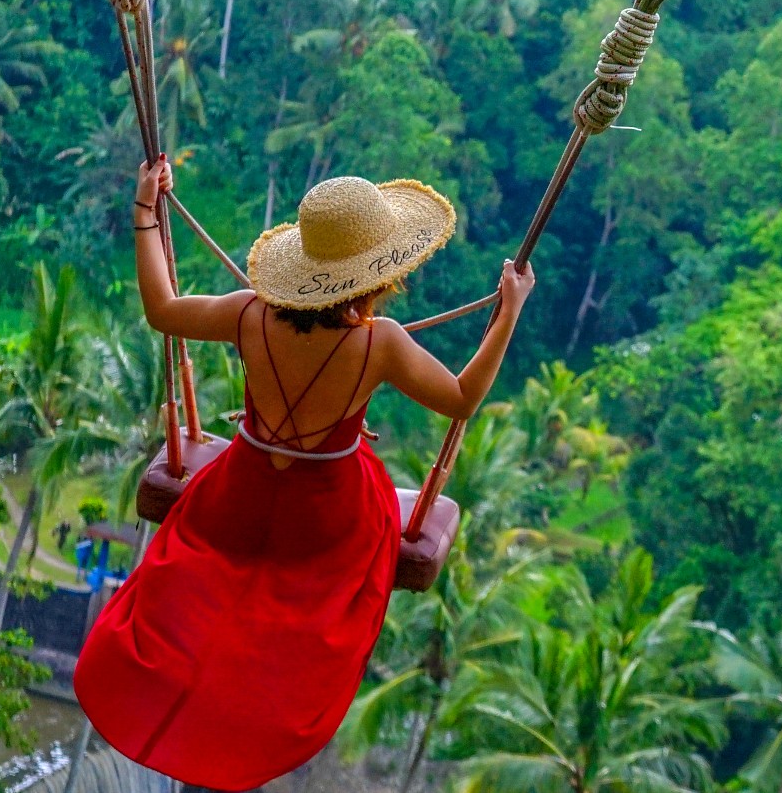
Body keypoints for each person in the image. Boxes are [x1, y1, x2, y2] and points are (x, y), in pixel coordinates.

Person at [74, 158, 533, 793]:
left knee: (200, 595)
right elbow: (459, 398)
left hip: (239, 491)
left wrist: (145, 214)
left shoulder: (248, 315)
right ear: (380, 277)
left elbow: (163, 309)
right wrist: (508, 313)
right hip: (330, 513)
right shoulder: (382, 344)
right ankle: (244, 733)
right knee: (300, 633)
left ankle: (164, 706)